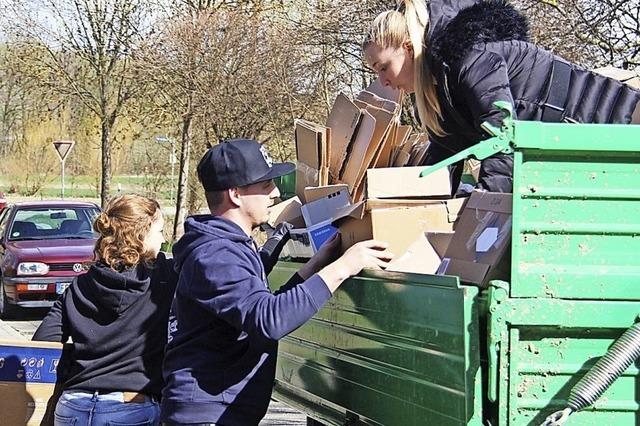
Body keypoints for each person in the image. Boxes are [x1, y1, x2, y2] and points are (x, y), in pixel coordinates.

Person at [160, 139, 393, 425]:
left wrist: (316, 265)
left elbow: (263, 308)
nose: (274, 193)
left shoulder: (226, 246)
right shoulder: (215, 255)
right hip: (207, 416)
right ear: (235, 194)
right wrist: (345, 266)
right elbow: (268, 321)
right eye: (264, 185)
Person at [364, 0, 640, 193]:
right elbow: (445, 153)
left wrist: (482, 209)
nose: (383, 82)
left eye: (384, 67)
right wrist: (409, 202)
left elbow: (501, 135)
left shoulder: (469, 58)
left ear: (409, 48)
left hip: (619, 122)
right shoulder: (440, 87)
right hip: (584, 144)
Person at [33, 194, 177, 426]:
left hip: (72, 407)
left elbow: (43, 342)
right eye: (159, 232)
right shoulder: (164, 279)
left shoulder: (80, 285)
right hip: (131, 406)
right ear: (142, 235)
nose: (162, 241)